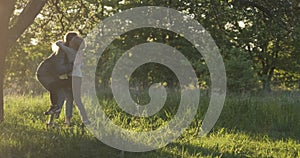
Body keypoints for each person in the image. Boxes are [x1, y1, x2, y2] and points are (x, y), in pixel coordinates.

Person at [36, 32, 78, 117]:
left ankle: (54, 118)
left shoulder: (70, 51)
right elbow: (59, 69)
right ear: (70, 41)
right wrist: (73, 65)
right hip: (45, 74)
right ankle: (54, 113)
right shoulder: (62, 51)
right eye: (75, 40)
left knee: (61, 93)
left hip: (52, 75)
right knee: (61, 88)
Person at [56, 36, 90, 126]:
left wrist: (60, 42)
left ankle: (70, 120)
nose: (69, 43)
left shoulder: (71, 51)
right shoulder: (80, 53)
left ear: (73, 45)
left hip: (72, 78)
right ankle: (83, 120)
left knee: (70, 99)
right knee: (76, 100)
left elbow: (59, 45)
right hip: (78, 77)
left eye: (71, 42)